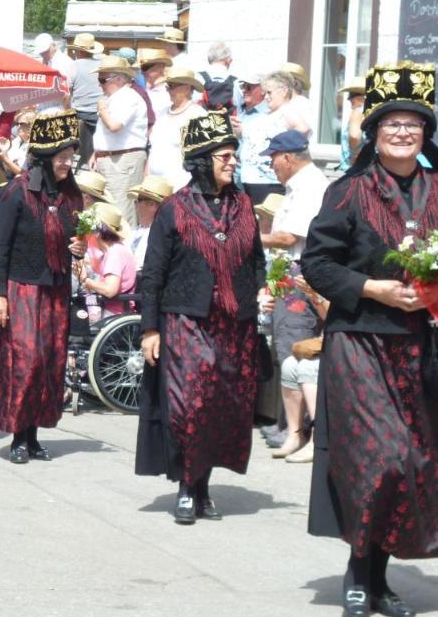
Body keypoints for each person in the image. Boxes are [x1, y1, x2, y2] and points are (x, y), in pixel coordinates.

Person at [300, 62, 438, 617]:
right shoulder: (348, 192)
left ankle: (381, 577)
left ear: (426, 133)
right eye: (392, 123)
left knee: (416, 463)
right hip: (361, 344)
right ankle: (357, 572)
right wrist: (372, 288)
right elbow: (316, 263)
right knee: (380, 460)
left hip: (427, 348)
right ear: (374, 130)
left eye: (414, 124)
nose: (402, 132)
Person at [136, 111, 266, 525]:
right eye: (224, 156)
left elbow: (257, 261)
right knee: (190, 405)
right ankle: (187, 488)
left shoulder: (243, 204)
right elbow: (153, 273)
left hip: (235, 325)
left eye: (234, 155)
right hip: (186, 321)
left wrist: (261, 288)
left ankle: (204, 486)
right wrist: (150, 328)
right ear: (202, 160)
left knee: (221, 408)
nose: (232, 162)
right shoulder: (174, 209)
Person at [0, 111, 86, 463]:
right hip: (22, 288)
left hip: (55, 288)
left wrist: (79, 246)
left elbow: (74, 236)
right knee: (24, 361)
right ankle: (17, 434)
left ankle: (33, 435)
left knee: (48, 361)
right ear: (45, 158)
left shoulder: (71, 195)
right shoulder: (17, 192)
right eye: (61, 157)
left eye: (71, 156)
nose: (67, 163)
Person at [259, 130, 329, 461]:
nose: (271, 165)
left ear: (288, 157)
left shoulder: (311, 186)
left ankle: (302, 432)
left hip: (299, 273)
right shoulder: (300, 185)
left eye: (273, 158)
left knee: (294, 348)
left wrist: (251, 237)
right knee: (287, 349)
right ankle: (293, 429)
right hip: (289, 273)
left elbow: (289, 237)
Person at [91, 55, 148, 228]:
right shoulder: (116, 98)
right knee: (107, 211)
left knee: (121, 214)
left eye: (102, 79)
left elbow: (114, 126)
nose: (99, 84)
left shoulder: (128, 97)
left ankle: (125, 253)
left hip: (123, 162)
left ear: (118, 79)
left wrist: (101, 109)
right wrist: (96, 154)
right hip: (112, 159)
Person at [146, 68, 207, 190]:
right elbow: (153, 148)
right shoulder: (162, 113)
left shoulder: (198, 115)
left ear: (187, 88)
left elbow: (202, 156)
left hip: (181, 186)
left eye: (173, 86)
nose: (169, 90)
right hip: (156, 185)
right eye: (168, 86)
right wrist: (146, 176)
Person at [77, 203, 137, 319]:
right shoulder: (114, 251)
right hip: (107, 309)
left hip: (114, 314)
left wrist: (85, 280)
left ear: (97, 233)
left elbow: (110, 290)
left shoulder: (115, 253)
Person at [232, 69, 282, 205]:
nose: (244, 90)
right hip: (239, 177)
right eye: (243, 86)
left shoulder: (270, 113)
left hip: (261, 181)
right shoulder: (241, 113)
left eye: (249, 87)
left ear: (262, 90)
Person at [66, 32, 102, 165]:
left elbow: (66, 94)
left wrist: (66, 112)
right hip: (100, 113)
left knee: (78, 154)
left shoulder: (73, 66)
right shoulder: (101, 64)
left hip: (80, 114)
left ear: (78, 51)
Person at [126, 175, 173, 268]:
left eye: (138, 200)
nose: (135, 205)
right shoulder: (135, 231)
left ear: (152, 205)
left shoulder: (161, 236)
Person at [264, 72, 313, 138]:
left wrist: (279, 143)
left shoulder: (299, 104)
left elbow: (303, 130)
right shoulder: (281, 106)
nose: (266, 97)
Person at [337, 76, 366, 172]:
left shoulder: (358, 111)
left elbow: (354, 136)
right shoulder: (373, 112)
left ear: (363, 97)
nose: (349, 100)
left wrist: (355, 157)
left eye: (352, 96)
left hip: (353, 169)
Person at [199, 42, 238, 114]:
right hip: (229, 123)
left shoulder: (198, 78)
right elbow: (239, 107)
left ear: (208, 59)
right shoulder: (236, 82)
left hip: (203, 123)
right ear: (229, 60)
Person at [137, 48, 172, 120]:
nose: (142, 72)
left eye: (145, 67)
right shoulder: (145, 90)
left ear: (160, 67)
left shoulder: (168, 91)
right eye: (142, 68)